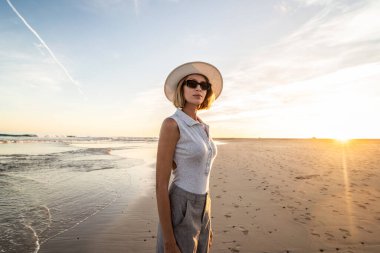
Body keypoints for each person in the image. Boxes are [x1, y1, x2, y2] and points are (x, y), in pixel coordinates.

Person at [156, 61, 223, 253]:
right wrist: (169, 241)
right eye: (192, 83)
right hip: (181, 204)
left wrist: (206, 220)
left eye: (204, 85)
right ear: (181, 89)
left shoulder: (203, 127)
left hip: (205, 204)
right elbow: (160, 185)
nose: (198, 88)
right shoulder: (172, 124)